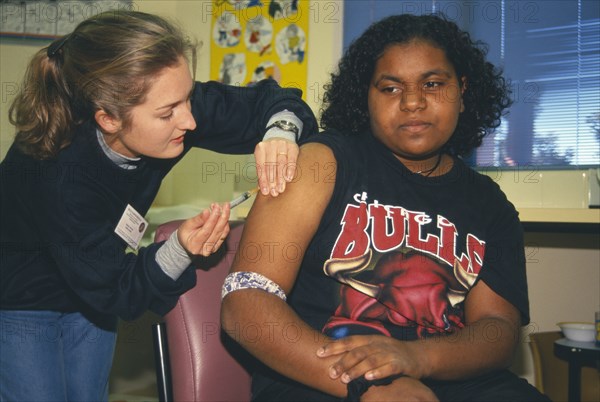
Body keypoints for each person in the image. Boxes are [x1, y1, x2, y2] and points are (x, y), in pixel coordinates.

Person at [221, 13, 551, 402]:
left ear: (462, 90)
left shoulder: (489, 204)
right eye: (390, 88)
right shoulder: (321, 163)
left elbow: (497, 331)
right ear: (366, 96)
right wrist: (366, 385)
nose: (413, 102)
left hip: (443, 374)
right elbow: (245, 304)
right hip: (321, 377)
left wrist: (416, 357)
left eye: (432, 83)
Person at [0, 10, 317, 402]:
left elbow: (269, 103)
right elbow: (119, 290)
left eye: (186, 99)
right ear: (108, 119)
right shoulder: (58, 174)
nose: (189, 120)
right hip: (21, 298)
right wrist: (180, 248)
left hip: (96, 280)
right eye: (168, 113)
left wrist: (281, 134)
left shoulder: (165, 107)